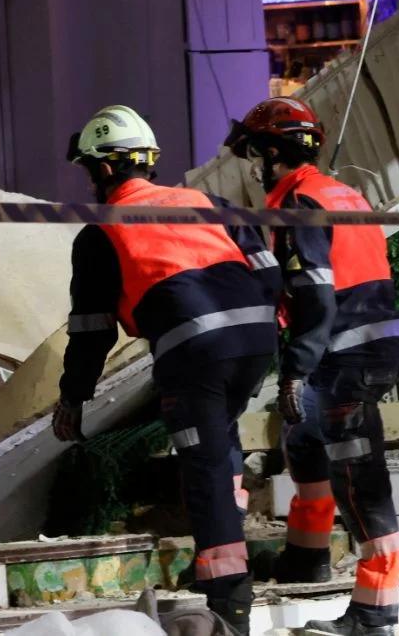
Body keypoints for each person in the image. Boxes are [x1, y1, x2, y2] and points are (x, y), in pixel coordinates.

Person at [51, 105, 281, 635]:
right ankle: (231, 525)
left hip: (194, 350)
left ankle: (227, 604)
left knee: (201, 471)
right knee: (219, 441)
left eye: (89, 171)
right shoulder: (208, 203)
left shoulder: (101, 232)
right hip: (255, 337)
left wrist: (73, 396)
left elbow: (91, 330)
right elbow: (266, 272)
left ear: (104, 170)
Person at [225, 97, 399, 636]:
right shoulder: (339, 193)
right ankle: (306, 558)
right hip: (361, 347)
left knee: (358, 480)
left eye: (256, 153)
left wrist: (295, 370)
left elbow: (316, 299)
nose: (253, 166)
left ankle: (376, 615)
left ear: (274, 151)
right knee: (302, 439)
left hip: (346, 355)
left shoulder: (300, 204)